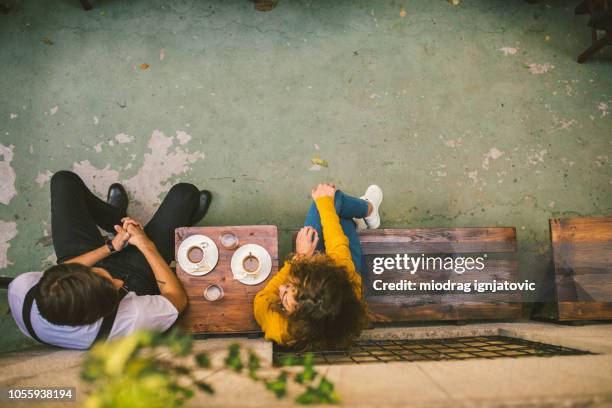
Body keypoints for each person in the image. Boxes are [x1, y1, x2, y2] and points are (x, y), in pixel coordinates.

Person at [7, 171, 212, 349]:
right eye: (112, 287)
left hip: (85, 257)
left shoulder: (22, 289)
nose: (117, 280)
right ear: (103, 311)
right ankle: (180, 223)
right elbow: (176, 300)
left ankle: (114, 217)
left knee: (64, 181)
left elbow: (62, 271)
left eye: (100, 276)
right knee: (185, 193)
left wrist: (111, 246)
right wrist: (145, 244)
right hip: (137, 277)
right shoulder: (130, 319)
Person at [254, 183, 383, 351]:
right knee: (330, 200)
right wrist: (325, 202)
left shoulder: (279, 328)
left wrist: (300, 259)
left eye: (285, 295)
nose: (281, 287)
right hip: (346, 270)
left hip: (315, 268)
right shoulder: (343, 283)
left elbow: (261, 299)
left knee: (330, 204)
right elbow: (338, 247)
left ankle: (354, 220)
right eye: (289, 286)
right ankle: (369, 210)